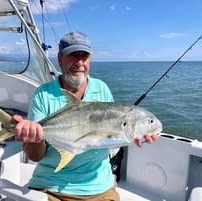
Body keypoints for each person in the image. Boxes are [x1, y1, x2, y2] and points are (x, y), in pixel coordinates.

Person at [13, 31, 158, 201]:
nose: (79, 62)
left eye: (85, 56)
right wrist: (32, 137)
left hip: (100, 188)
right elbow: (34, 156)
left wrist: (136, 136)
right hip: (51, 187)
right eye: (73, 56)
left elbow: (111, 139)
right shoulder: (43, 95)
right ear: (59, 59)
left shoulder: (101, 89)